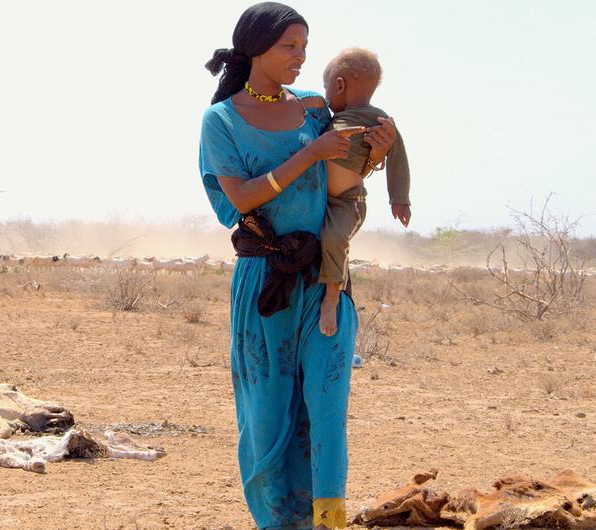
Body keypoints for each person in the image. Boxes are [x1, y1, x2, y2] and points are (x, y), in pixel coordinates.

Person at [198, 3, 396, 528]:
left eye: (305, 47)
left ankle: (328, 519)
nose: (300, 57)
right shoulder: (220, 120)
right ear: (255, 48)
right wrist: (308, 155)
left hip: (325, 280)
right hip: (266, 286)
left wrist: (374, 156)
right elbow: (241, 199)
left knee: (326, 410)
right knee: (266, 419)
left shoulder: (315, 111)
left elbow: (339, 184)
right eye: (289, 46)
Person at [317, 47, 411, 336]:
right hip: (321, 201)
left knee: (334, 239)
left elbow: (398, 158)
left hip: (347, 203)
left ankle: (332, 298)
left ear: (340, 85)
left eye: (326, 86)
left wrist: (399, 199)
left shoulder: (379, 121)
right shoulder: (327, 120)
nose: (325, 94)